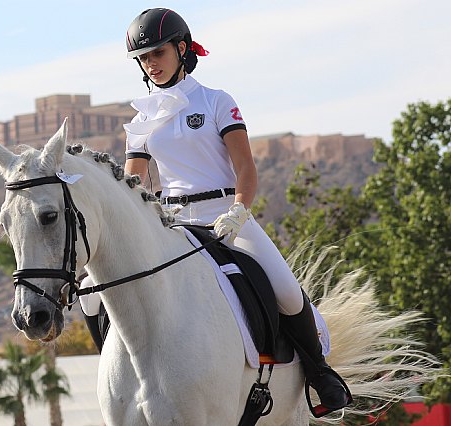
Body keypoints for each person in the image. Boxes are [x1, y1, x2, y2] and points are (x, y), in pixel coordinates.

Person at [80, 7, 351, 413]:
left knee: (287, 293)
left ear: (182, 49)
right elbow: (132, 184)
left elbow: (246, 168)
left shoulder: (216, 102)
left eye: (158, 53)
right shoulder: (142, 119)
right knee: (88, 292)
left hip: (226, 213)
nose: (151, 64)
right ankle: (125, 369)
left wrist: (239, 211)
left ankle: (320, 375)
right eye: (144, 58)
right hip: (171, 222)